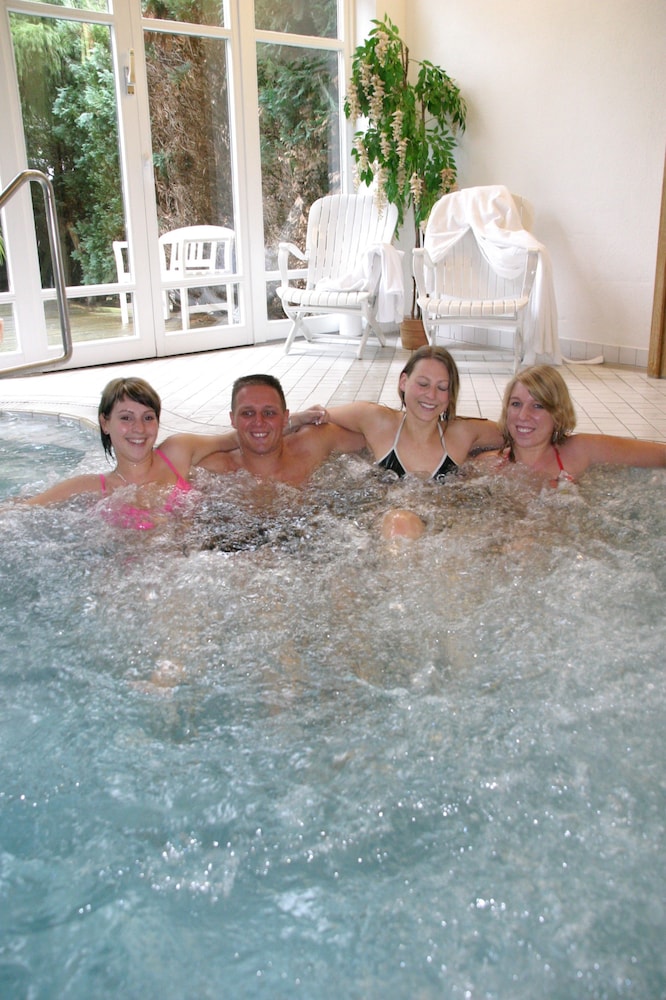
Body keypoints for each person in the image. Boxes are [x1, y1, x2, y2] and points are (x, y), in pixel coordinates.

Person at [295, 345, 503, 538]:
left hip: (445, 529)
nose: (431, 395)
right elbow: (316, 415)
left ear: (450, 395)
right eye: (423, 384)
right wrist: (285, 423)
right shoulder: (377, 421)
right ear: (404, 382)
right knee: (399, 523)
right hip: (386, 527)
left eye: (442, 387)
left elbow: (518, 433)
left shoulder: (463, 433)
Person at [22, 376, 241, 527]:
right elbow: (20, 511)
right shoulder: (91, 487)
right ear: (105, 423)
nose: (139, 428)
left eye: (148, 417)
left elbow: (235, 438)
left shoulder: (177, 452)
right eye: (126, 418)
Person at [479, 364, 666, 486]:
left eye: (538, 406)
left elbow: (660, 455)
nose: (523, 415)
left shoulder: (581, 450)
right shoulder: (488, 465)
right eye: (516, 404)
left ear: (558, 413)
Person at [197, 374, 366, 486]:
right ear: (232, 419)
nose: (259, 422)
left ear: (285, 417)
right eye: (247, 413)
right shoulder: (215, 470)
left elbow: (372, 436)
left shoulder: (314, 443)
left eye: (269, 413)